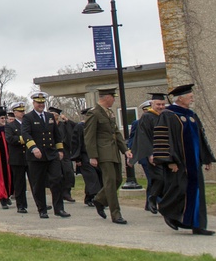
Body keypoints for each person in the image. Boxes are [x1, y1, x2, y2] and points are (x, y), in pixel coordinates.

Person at [153, 83, 216, 235]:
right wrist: (170, 161)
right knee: (178, 191)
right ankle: (169, 213)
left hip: (194, 162)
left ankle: (198, 225)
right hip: (178, 163)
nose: (192, 99)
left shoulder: (192, 115)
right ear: (180, 98)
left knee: (197, 192)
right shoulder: (168, 115)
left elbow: (201, 137)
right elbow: (162, 139)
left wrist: (206, 158)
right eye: (190, 97)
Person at [84, 88, 132, 225]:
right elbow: (89, 137)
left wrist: (125, 150)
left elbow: (116, 133)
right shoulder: (93, 113)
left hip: (114, 152)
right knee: (110, 182)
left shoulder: (109, 113)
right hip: (103, 153)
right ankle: (116, 214)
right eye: (113, 97)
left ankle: (99, 199)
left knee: (118, 179)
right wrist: (93, 156)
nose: (114, 100)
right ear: (106, 98)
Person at [22, 92, 70, 219]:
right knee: (38, 184)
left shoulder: (49, 116)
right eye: (38, 103)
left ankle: (59, 209)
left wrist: (60, 150)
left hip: (51, 154)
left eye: (42, 103)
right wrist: (33, 148)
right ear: (34, 103)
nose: (41, 105)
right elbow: (26, 134)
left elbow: (56, 135)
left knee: (57, 179)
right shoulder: (28, 117)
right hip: (36, 156)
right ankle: (42, 209)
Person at [129, 94, 166, 215]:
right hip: (153, 155)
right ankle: (153, 198)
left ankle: (156, 200)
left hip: (165, 153)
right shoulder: (147, 117)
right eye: (158, 104)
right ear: (152, 104)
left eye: (162, 104)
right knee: (158, 178)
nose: (160, 107)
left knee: (164, 179)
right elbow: (144, 137)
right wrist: (150, 154)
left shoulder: (165, 116)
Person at [70, 107, 101, 207]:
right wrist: (77, 159)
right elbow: (75, 143)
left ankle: (88, 198)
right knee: (92, 178)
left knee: (98, 177)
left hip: (96, 155)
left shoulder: (96, 126)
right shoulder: (80, 126)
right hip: (84, 156)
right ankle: (95, 198)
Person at [4, 102, 30, 213]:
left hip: (29, 157)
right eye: (20, 111)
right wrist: (24, 139)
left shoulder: (28, 123)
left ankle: (40, 202)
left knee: (35, 182)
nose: (22, 113)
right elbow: (10, 139)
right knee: (19, 183)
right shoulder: (10, 126)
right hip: (17, 158)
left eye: (23, 111)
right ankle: (21, 205)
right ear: (15, 113)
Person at [51, 107, 76, 203]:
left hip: (65, 151)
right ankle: (58, 193)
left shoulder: (63, 125)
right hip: (53, 151)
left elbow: (76, 127)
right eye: (51, 114)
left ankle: (67, 192)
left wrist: (67, 120)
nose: (53, 116)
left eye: (55, 114)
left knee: (68, 171)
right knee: (56, 174)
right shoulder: (48, 125)